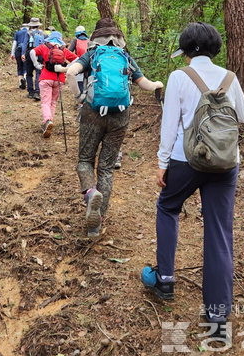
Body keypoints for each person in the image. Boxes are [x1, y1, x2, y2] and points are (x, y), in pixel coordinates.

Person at [140, 22, 244, 341]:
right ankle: (217, 317)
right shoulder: (230, 77)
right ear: (215, 49)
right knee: (219, 229)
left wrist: (162, 163)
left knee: (168, 207)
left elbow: (169, 122)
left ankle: (165, 280)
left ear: (186, 51)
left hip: (185, 159)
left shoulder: (178, 77)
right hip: (225, 161)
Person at [65, 18, 163, 238]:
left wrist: (80, 97)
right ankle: (96, 222)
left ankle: (90, 193)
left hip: (92, 112)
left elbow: (71, 73)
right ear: (118, 38)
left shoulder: (92, 54)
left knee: (85, 160)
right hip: (120, 115)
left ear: (96, 36)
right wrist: (159, 85)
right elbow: (146, 84)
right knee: (107, 168)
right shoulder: (125, 57)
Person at [30, 31, 78, 138]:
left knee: (45, 102)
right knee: (53, 102)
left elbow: (32, 52)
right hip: (59, 79)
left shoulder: (44, 46)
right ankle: (49, 120)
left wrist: (36, 64)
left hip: (45, 78)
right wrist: (67, 68)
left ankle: (47, 120)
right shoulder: (63, 50)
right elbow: (77, 59)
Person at [21, 17, 45, 100]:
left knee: (29, 73)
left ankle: (31, 92)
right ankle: (37, 92)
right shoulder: (42, 33)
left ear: (31, 25)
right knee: (39, 73)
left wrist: (23, 54)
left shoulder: (28, 33)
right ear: (38, 25)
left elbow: (24, 44)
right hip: (40, 53)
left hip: (30, 53)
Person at [68, 25, 90, 94]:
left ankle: (80, 98)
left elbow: (69, 51)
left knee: (79, 80)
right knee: (87, 79)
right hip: (89, 62)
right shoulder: (89, 41)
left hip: (79, 62)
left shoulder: (75, 40)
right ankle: (87, 94)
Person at [10, 22, 30, 89]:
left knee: (19, 66)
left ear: (21, 27)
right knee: (26, 66)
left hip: (18, 50)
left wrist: (12, 53)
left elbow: (14, 44)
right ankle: (25, 79)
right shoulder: (29, 32)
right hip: (26, 51)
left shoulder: (17, 33)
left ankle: (20, 83)